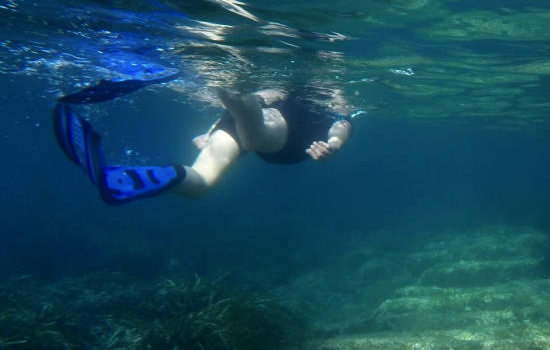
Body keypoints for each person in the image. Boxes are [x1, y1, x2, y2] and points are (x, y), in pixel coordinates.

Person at [53, 84, 353, 205]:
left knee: (203, 180)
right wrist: (334, 146)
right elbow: (342, 124)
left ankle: (242, 102)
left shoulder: (298, 89)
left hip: (259, 115)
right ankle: (243, 103)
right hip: (290, 136)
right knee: (206, 183)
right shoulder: (333, 98)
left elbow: (341, 128)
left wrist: (212, 130)